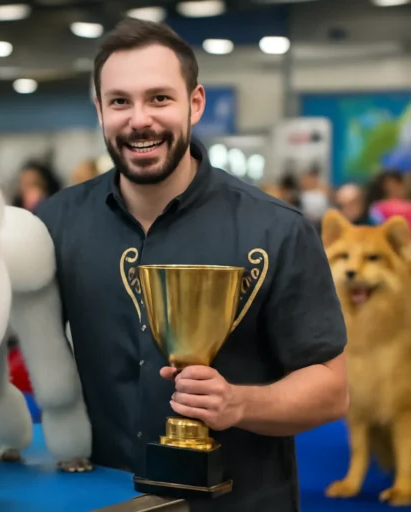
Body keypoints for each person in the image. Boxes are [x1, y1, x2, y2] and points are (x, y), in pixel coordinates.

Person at [34, 18, 348, 512]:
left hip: (241, 503)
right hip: (106, 501)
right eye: (120, 101)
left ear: (194, 103)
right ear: (99, 110)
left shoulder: (276, 230)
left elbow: (331, 389)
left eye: (159, 98)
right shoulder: (53, 225)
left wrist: (240, 403)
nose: (139, 119)